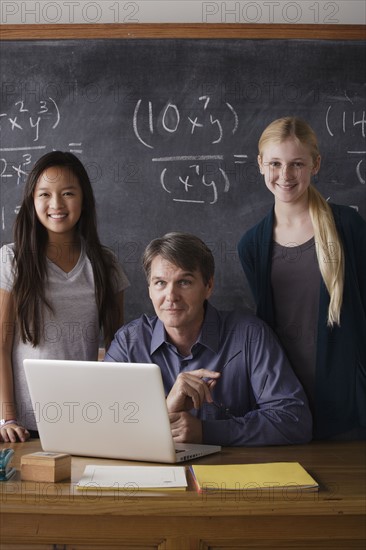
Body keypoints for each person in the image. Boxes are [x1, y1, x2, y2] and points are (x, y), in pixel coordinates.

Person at [105, 232, 312, 446]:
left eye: (184, 282)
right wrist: (165, 410)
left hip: (234, 473)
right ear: (149, 289)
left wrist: (206, 432)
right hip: (153, 474)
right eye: (160, 283)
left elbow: (294, 420)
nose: (171, 296)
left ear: (209, 286)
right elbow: (100, 421)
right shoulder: (129, 342)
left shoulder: (249, 335)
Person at [237, 116, 366, 440]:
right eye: (275, 163)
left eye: (297, 163)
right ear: (260, 164)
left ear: (315, 164)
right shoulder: (251, 245)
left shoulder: (349, 227)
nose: (285, 175)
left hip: (348, 406)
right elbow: (268, 328)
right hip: (282, 402)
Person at [0, 151, 129, 443]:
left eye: (68, 193)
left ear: (83, 199)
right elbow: (1, 344)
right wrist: (7, 418)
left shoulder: (104, 264)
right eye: (44, 194)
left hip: (85, 419)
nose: (56, 204)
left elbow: (117, 346)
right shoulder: (13, 260)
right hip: (22, 426)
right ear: (32, 201)